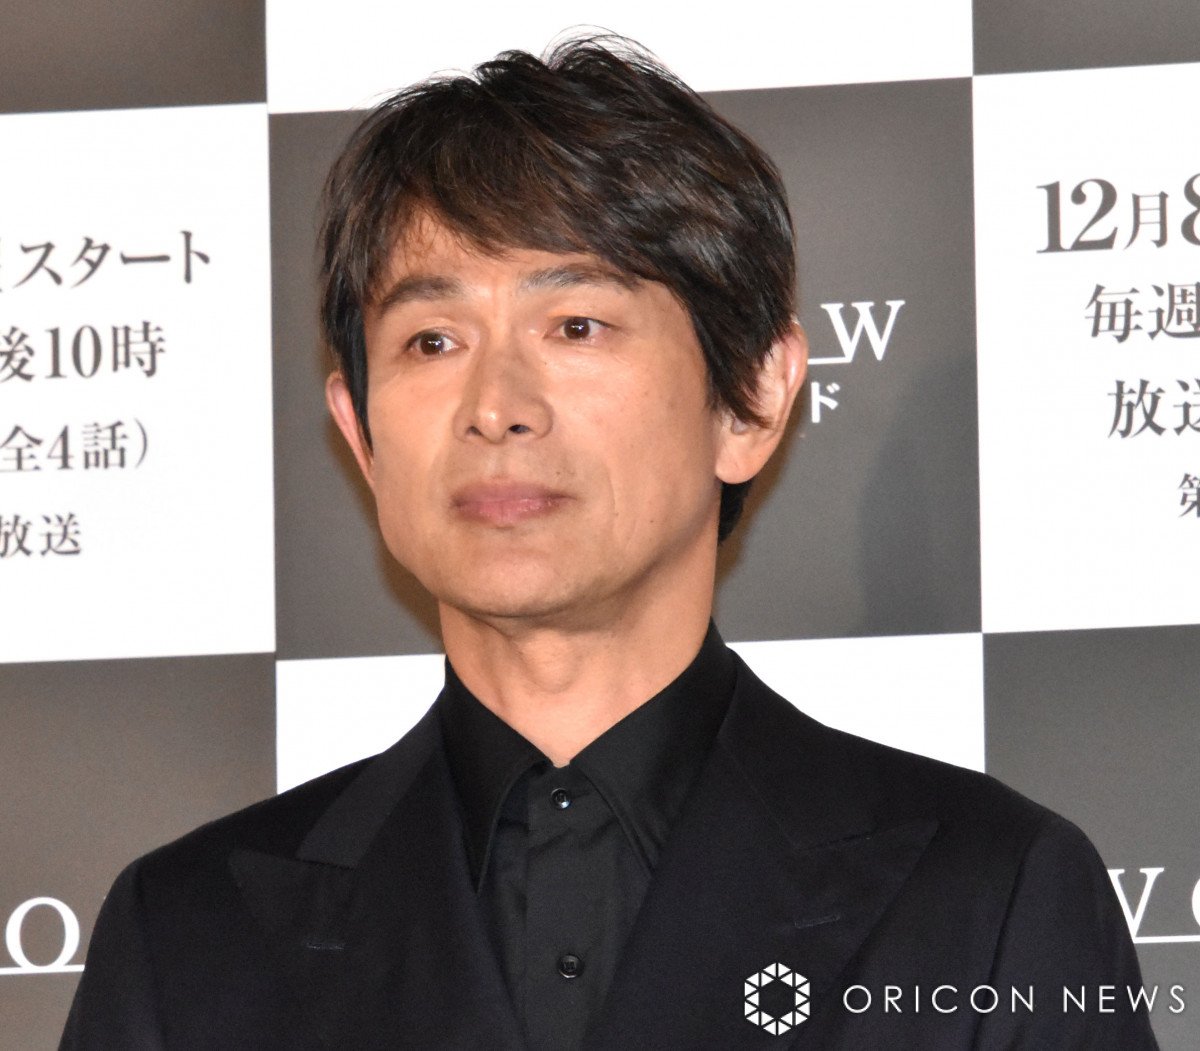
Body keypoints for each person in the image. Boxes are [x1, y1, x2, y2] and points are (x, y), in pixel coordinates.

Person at [61, 36, 1158, 1050]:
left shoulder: (991, 897)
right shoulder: (184, 937)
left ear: (752, 398)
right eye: (432, 340)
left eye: (576, 325)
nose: (496, 405)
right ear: (359, 432)